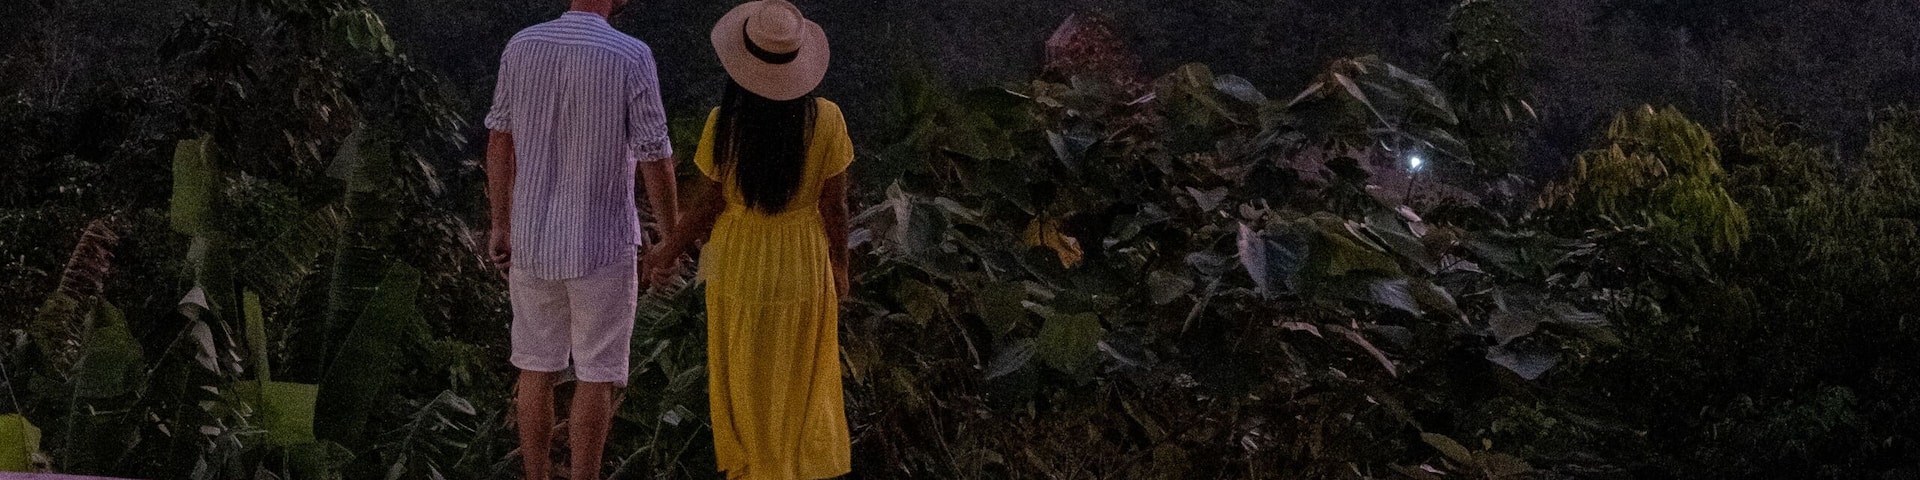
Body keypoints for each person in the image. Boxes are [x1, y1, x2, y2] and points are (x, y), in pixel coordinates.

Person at [641, 1, 853, 478]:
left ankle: (755, 467)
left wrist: (666, 251)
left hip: (739, 260)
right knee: (799, 376)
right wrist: (840, 267)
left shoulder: (726, 123)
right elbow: (835, 207)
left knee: (745, 373)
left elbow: (706, 205)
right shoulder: (828, 120)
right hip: (802, 258)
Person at [482, 0, 677, 477]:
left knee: (535, 368)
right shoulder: (630, 55)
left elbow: (499, 139)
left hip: (531, 239)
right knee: (596, 374)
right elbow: (655, 154)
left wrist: (501, 222)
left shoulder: (522, 45)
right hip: (603, 241)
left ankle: (536, 474)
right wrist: (671, 239)